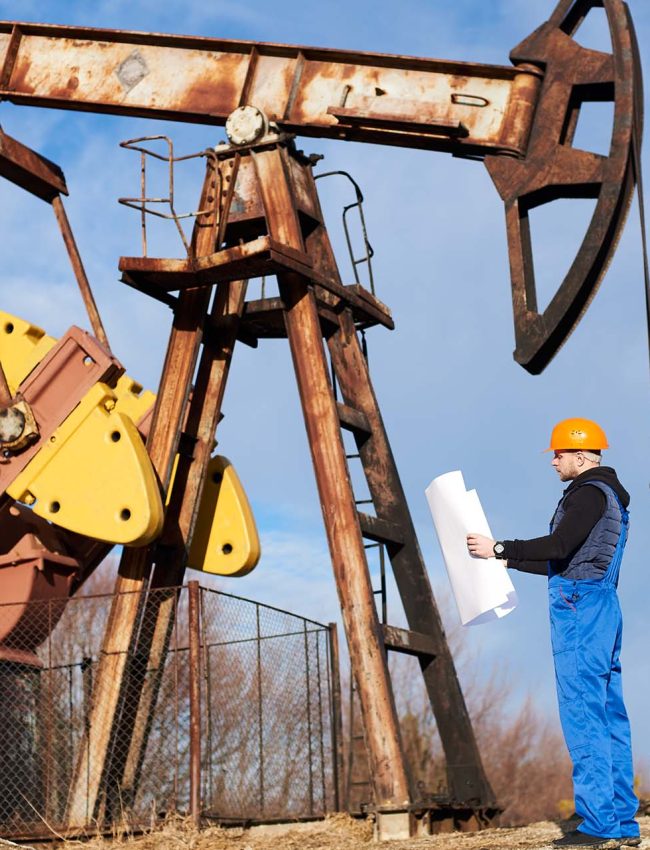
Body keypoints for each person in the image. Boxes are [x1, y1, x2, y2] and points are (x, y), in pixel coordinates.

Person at [466, 418, 639, 850]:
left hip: (578, 608)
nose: (554, 461)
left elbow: (558, 546)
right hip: (603, 605)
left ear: (582, 455)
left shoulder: (586, 495)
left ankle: (599, 825)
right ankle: (621, 823)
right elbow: (564, 559)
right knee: (609, 715)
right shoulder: (613, 497)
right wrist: (504, 561)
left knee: (583, 714)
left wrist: (500, 547)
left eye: (559, 454)